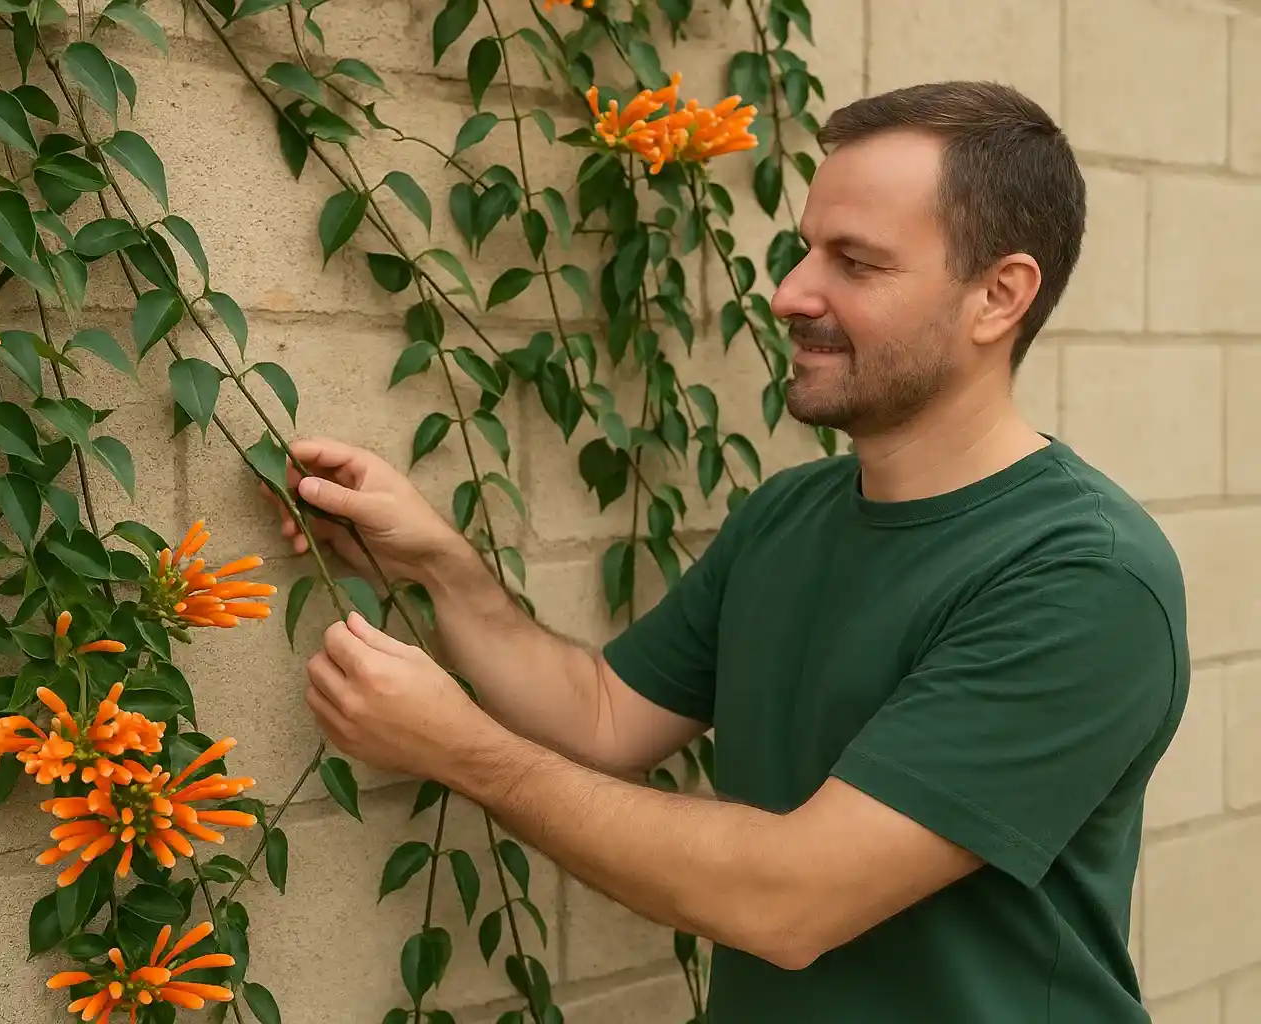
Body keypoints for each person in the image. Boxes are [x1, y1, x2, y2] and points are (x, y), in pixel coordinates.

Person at [267, 81, 1189, 1022]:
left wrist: (460, 751)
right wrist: (437, 564)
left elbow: (792, 901)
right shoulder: (789, 515)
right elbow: (603, 716)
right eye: (803, 249)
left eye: (856, 263)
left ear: (998, 296)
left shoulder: (1081, 576)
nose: (790, 294)